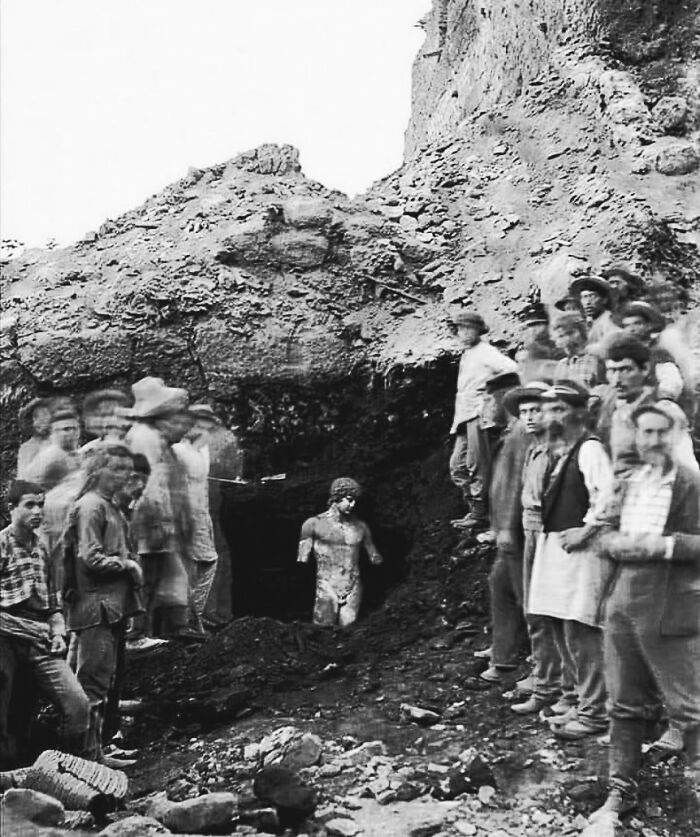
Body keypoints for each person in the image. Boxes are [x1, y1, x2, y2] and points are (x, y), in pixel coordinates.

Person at [589, 405, 700, 822]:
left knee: (689, 707)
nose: (652, 441)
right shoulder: (629, 482)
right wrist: (612, 544)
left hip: (671, 598)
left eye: (661, 433)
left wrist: (665, 547)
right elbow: (603, 534)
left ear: (677, 436)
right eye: (645, 432)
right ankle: (620, 792)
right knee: (624, 703)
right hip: (624, 598)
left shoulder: (691, 482)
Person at [527, 382, 614, 739]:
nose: (553, 416)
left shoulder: (590, 449)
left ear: (578, 412)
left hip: (583, 549)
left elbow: (608, 499)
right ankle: (580, 700)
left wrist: (587, 530)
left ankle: (595, 712)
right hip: (557, 546)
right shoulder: (558, 451)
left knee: (581, 627)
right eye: (550, 409)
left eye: (561, 409)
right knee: (558, 621)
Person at [0, 480, 90, 764]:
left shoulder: (42, 549)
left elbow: (52, 606)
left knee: (78, 705)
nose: (37, 511)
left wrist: (59, 631)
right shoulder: (1, 544)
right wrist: (30, 628)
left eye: (41, 505)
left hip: (40, 636)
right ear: (11, 508)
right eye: (29, 505)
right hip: (5, 634)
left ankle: (63, 767)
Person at [64, 446, 144, 764]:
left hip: (111, 607)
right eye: (118, 469)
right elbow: (90, 556)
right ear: (98, 471)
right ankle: (87, 758)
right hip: (94, 609)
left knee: (103, 680)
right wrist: (128, 567)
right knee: (92, 684)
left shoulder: (109, 506)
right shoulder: (90, 506)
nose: (125, 476)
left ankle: (97, 750)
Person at [499, 384, 570, 715]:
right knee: (534, 608)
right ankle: (544, 680)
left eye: (534, 411)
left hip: (550, 533)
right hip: (530, 531)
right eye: (523, 412)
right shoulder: (534, 449)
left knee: (553, 610)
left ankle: (562, 686)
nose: (528, 417)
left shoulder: (559, 450)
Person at [126, 377, 197, 642]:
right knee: (148, 577)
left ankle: (175, 626)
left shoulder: (154, 437)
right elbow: (151, 485)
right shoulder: (146, 438)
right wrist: (160, 523)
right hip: (150, 520)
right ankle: (137, 633)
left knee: (170, 574)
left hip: (159, 519)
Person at [476, 374, 531, 685]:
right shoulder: (510, 432)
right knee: (500, 585)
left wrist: (508, 527)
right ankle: (503, 652)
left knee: (525, 597)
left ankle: (536, 668)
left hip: (517, 533)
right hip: (506, 532)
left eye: (490, 398)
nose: (486, 405)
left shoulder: (521, 433)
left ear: (504, 397)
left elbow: (516, 484)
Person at [448, 310, 518, 530]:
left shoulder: (486, 352)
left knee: (477, 465)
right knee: (457, 466)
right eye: (460, 329)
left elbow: (513, 370)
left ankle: (480, 514)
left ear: (478, 331)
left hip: (479, 414)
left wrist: (492, 397)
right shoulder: (467, 353)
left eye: (468, 329)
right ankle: (476, 508)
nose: (464, 333)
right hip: (464, 415)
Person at [297, 478, 383, 627]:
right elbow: (302, 558)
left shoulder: (361, 527)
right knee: (323, 631)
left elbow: (374, 557)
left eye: (355, 500)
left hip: (353, 585)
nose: (353, 504)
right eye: (349, 500)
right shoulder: (313, 524)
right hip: (327, 584)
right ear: (336, 498)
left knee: (348, 634)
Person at [173, 406, 219, 633]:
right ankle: (190, 617)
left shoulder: (202, 448)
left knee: (204, 563)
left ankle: (194, 614)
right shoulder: (177, 451)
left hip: (201, 514)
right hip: (185, 516)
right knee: (200, 563)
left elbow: (204, 483)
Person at [201, 407, 244, 627]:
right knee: (212, 560)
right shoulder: (203, 442)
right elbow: (231, 472)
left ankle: (219, 611)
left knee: (220, 559)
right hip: (203, 513)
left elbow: (231, 472)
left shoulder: (218, 438)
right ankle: (211, 612)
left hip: (213, 511)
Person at [24, 410, 81, 491]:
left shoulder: (71, 453)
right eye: (66, 429)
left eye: (75, 428)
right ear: (54, 432)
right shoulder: (53, 456)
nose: (72, 433)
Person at [568, 275, 620, 356]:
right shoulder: (586, 322)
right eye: (584, 297)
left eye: (592, 296)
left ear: (604, 299)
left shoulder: (609, 320)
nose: (588, 302)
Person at [551, 313, 605, 389]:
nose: (565, 339)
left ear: (581, 332)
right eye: (560, 336)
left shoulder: (595, 360)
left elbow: (604, 389)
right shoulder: (561, 365)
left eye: (569, 333)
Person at [16, 398, 53, 478]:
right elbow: (23, 477)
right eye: (38, 417)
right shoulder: (26, 448)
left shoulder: (59, 442)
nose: (44, 421)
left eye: (47, 415)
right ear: (32, 421)